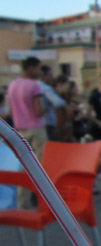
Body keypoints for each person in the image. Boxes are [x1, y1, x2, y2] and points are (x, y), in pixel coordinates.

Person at [6, 56, 47, 205]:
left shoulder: (12, 85)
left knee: (23, 167)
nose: (39, 72)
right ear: (30, 68)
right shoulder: (34, 85)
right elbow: (38, 110)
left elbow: (9, 111)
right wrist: (46, 109)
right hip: (36, 129)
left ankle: (22, 201)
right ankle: (41, 200)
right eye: (38, 68)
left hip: (19, 130)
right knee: (40, 167)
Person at [39, 64, 66, 141]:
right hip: (48, 124)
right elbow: (58, 102)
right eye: (50, 75)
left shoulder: (35, 86)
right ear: (44, 76)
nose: (52, 78)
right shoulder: (46, 88)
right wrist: (66, 106)